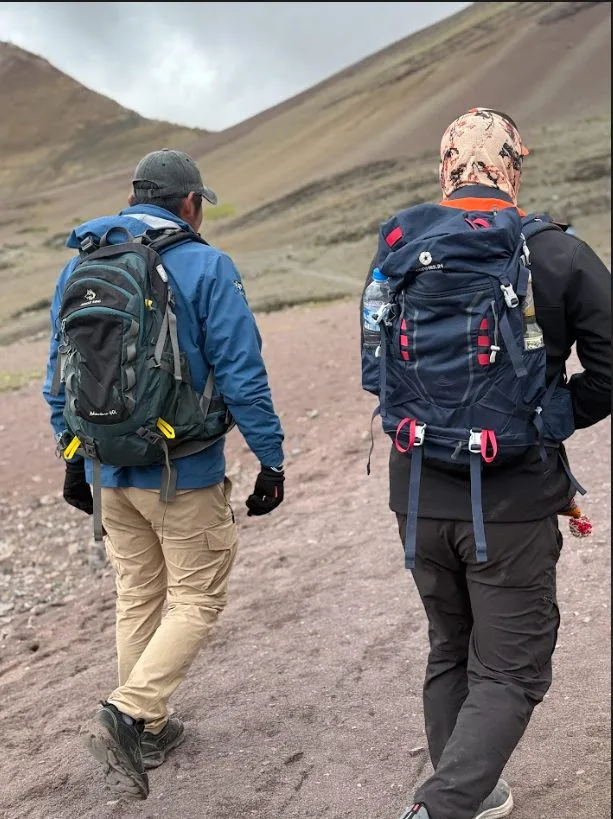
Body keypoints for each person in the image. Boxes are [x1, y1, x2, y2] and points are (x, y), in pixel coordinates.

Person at [361, 109, 611, 819]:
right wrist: (546, 418)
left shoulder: (399, 250)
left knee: (451, 645)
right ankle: (441, 806)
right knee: (512, 666)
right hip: (511, 498)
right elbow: (609, 367)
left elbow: (375, 371)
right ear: (512, 167)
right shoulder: (556, 253)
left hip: (415, 494)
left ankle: (473, 793)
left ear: (443, 166)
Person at [43, 149, 285, 801]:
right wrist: (271, 457)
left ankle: (150, 726)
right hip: (183, 470)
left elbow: (55, 378)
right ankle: (127, 712)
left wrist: (73, 455)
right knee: (198, 595)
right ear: (188, 203)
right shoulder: (207, 265)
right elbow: (242, 374)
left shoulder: (81, 265)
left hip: (106, 470)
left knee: (138, 593)